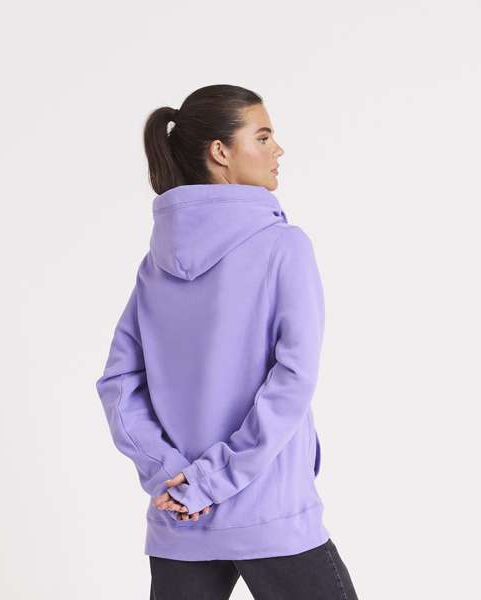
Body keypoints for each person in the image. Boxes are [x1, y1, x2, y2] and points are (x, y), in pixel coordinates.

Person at [95, 84, 359, 599]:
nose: (278, 149)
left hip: (181, 519)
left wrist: (172, 476)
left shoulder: (155, 265)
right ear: (220, 151)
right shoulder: (284, 247)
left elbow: (119, 382)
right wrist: (209, 481)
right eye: (262, 137)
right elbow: (293, 380)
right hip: (268, 512)